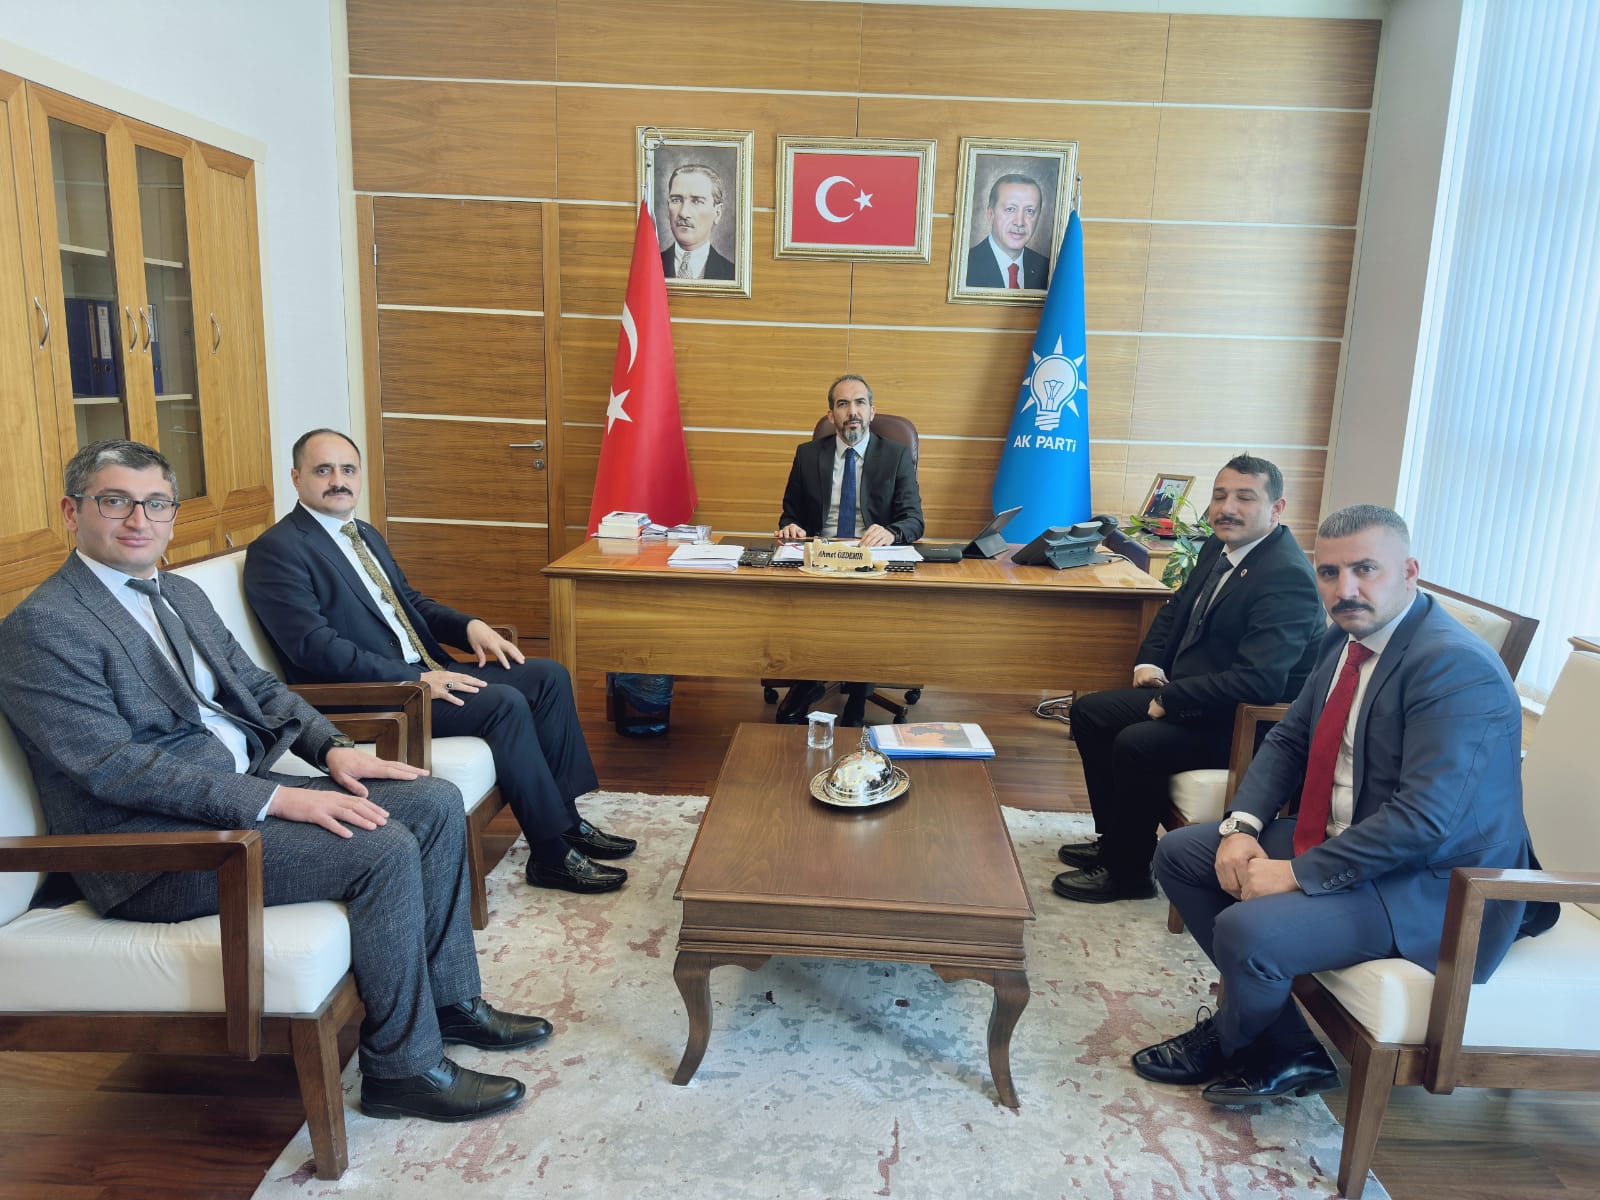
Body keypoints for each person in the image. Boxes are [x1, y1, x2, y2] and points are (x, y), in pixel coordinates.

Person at [0, 440, 549, 1123]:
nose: (139, 520)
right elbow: (114, 764)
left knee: (435, 802)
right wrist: (276, 797)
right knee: (381, 849)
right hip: (156, 850)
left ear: (172, 515)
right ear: (71, 511)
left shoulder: (179, 593)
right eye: (116, 502)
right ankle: (402, 1072)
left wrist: (333, 749)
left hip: (239, 797)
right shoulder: (43, 626)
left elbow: (259, 687)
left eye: (156, 503)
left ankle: (450, 1003)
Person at [1133, 504, 1558, 1104]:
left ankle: (1234, 1040)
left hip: (1435, 884)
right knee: (1182, 854)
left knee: (1247, 932)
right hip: (1352, 836)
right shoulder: (1347, 636)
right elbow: (1291, 737)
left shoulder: (1455, 668)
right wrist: (1241, 827)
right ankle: (1289, 1049)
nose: (1345, 589)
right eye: (1330, 573)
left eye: (1365, 569)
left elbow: (1424, 821)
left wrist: (1295, 873)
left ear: (1409, 571)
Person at [243, 429, 633, 895]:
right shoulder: (277, 550)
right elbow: (315, 649)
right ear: (296, 477)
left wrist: (469, 626)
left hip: (425, 669)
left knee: (548, 676)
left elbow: (409, 604)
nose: (338, 481)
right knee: (505, 703)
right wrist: (416, 678)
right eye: (323, 470)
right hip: (375, 694)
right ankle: (550, 856)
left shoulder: (363, 534)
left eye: (347, 469)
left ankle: (566, 823)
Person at [1053, 454, 1325, 903]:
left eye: (1244, 498)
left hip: (1246, 724)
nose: (1227, 508)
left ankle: (1129, 873)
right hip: (1201, 698)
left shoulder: (1286, 578)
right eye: (1220, 496)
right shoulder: (1218, 547)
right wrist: (1149, 662)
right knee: (1089, 713)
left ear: (1276, 508)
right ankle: (1115, 841)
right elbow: (1176, 608)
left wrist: (1172, 699)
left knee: (1137, 743)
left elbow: (1259, 682)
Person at [773, 374, 924, 726]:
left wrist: (891, 532)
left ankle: (858, 697)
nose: (852, 411)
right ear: (831, 415)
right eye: (843, 404)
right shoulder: (808, 455)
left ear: (872, 411)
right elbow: (790, 514)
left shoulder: (896, 455)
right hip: (821, 560)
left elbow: (914, 520)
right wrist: (792, 527)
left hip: (872, 563)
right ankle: (809, 680)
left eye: (859, 403)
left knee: (864, 613)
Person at [963, 173, 1050, 290]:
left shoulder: (1048, 270)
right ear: (991, 214)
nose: (1019, 222)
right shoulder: (964, 266)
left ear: (1038, 217)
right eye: (1010, 209)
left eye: (1029, 211)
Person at [659, 163, 735, 281]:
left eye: (697, 201)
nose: (683, 213)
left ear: (717, 213)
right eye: (676, 200)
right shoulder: (649, 267)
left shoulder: (733, 275)